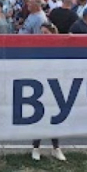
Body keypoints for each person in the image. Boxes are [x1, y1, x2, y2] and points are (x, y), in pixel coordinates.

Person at [32, 22, 66, 161]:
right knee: (38, 116)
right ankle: (36, 148)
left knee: (54, 117)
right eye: (41, 33)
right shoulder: (37, 48)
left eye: (45, 32)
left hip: (55, 85)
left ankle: (56, 148)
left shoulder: (59, 47)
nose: (43, 35)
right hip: (40, 85)